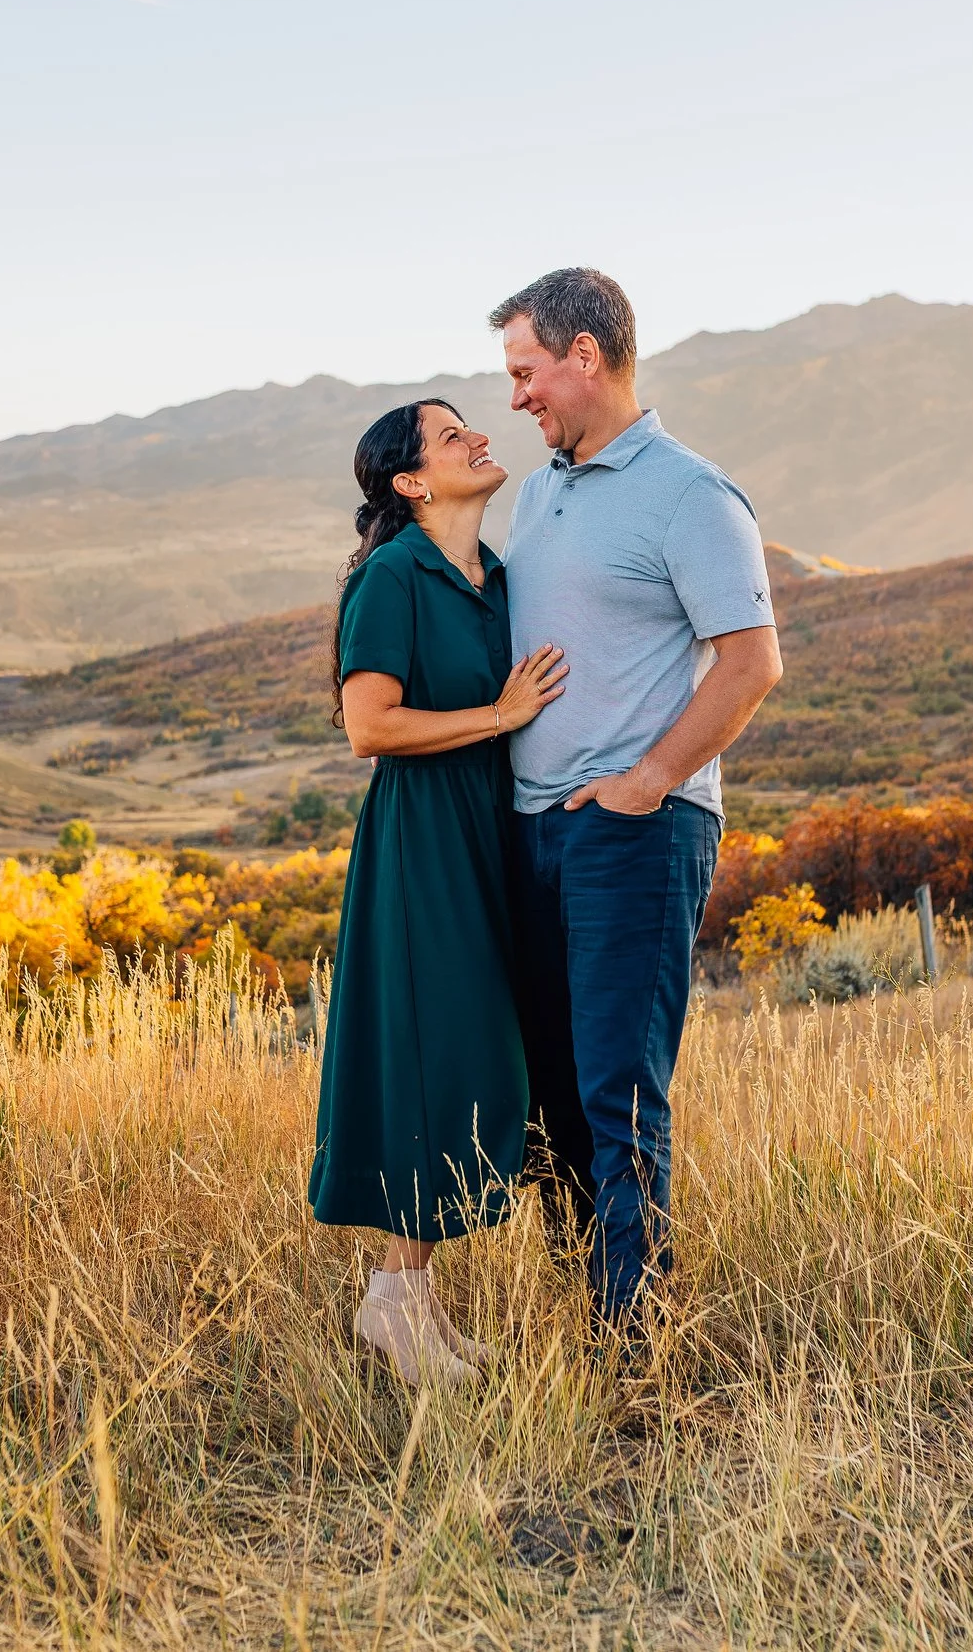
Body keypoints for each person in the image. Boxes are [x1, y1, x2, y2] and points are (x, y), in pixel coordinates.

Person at [492, 268, 783, 1326]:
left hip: (633, 834)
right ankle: (584, 1316)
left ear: (584, 357)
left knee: (617, 1094)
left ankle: (636, 1352)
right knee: (552, 1101)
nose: (516, 396)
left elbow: (750, 662)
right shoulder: (538, 492)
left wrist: (648, 782)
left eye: (525, 372)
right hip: (532, 833)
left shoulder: (690, 493)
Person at [309, 397, 569, 1388]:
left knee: (466, 1060)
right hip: (423, 842)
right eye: (449, 435)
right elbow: (368, 728)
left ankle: (405, 1298)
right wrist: (496, 713)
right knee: (433, 1053)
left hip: (489, 832)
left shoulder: (495, 575)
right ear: (411, 483)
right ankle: (393, 1301)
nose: (475, 438)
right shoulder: (393, 575)